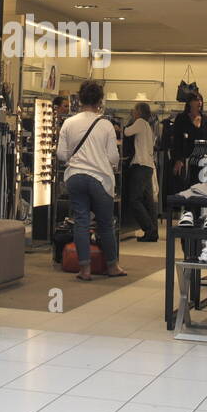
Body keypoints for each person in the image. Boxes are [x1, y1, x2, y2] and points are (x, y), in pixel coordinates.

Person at [56, 80, 126, 281]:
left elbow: (61, 154)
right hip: (100, 179)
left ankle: (84, 269)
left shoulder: (69, 123)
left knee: (81, 222)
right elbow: (113, 157)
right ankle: (112, 266)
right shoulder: (105, 124)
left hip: (75, 177)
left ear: (80, 99)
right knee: (105, 223)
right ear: (99, 101)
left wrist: (76, 160)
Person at [122, 102, 158, 242]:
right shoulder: (148, 126)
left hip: (140, 165)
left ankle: (148, 229)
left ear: (139, 112)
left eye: (134, 109)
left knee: (134, 199)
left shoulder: (140, 122)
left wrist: (121, 126)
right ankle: (153, 231)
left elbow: (126, 132)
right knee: (148, 201)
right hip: (148, 166)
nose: (132, 111)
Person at [168, 91, 207, 197]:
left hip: (202, 161)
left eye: (200, 100)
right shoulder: (182, 118)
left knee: (201, 192)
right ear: (189, 103)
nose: (199, 102)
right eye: (196, 100)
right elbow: (176, 141)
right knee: (184, 191)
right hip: (184, 160)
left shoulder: (206, 120)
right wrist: (178, 159)